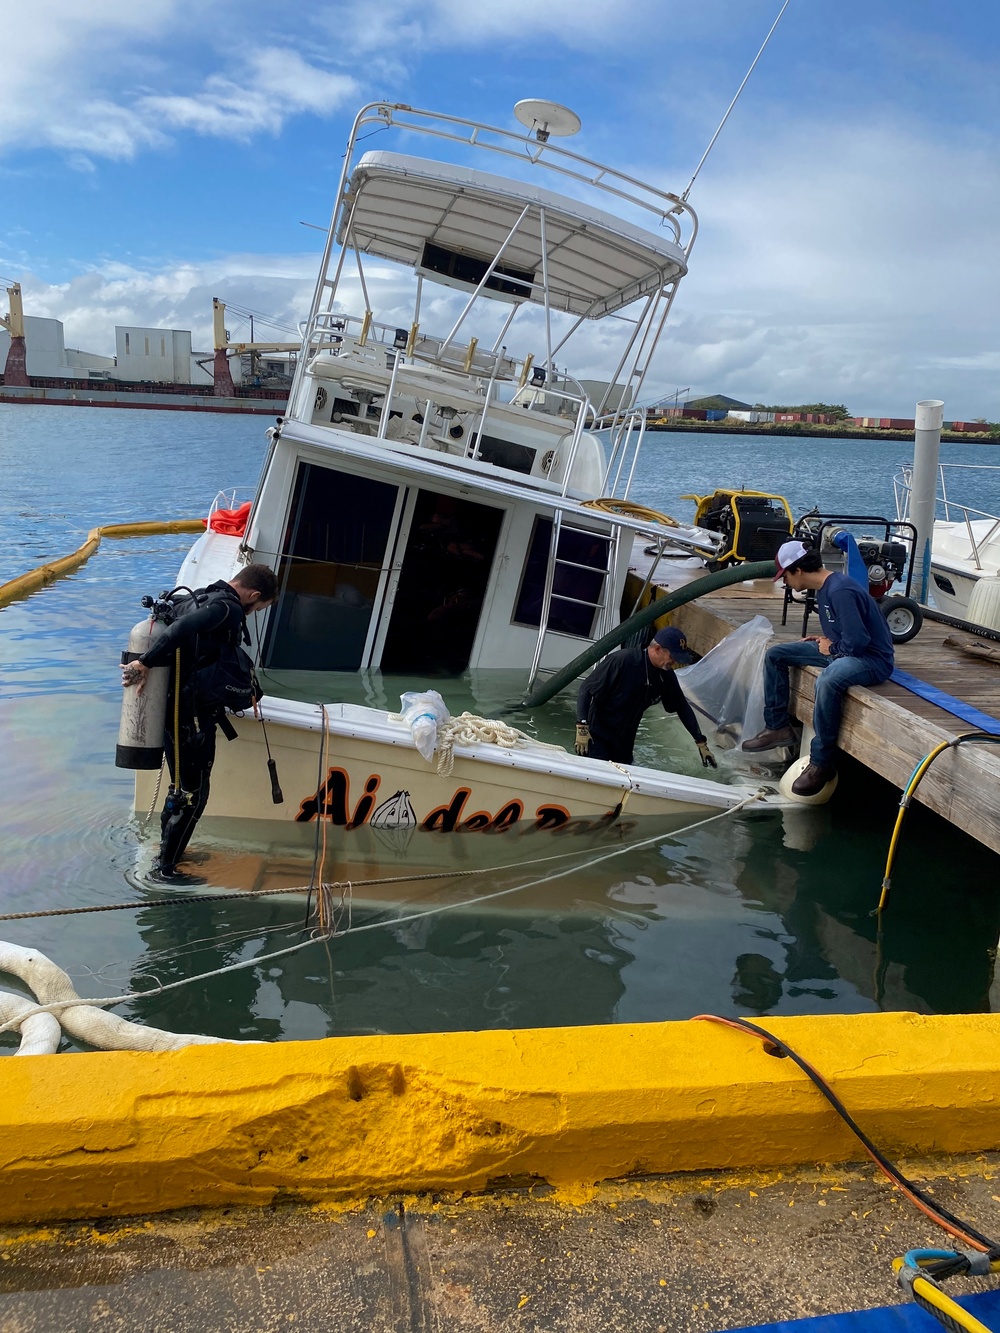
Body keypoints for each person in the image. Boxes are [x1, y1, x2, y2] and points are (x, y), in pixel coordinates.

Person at [121, 563, 279, 884]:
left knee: (182, 787)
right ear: (255, 594)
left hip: (177, 709)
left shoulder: (205, 596)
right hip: (189, 714)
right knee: (195, 793)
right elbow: (181, 630)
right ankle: (165, 870)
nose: (255, 612)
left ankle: (172, 853)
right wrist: (145, 662)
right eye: (260, 607)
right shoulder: (227, 608)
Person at [742, 539, 894, 796]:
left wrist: (832, 649)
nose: (784, 583)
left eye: (785, 576)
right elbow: (846, 633)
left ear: (797, 570)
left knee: (827, 680)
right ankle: (778, 726)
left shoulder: (839, 590)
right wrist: (824, 641)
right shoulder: (825, 588)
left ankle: (821, 762)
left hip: (871, 659)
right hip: (842, 649)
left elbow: (858, 643)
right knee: (776, 654)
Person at [575, 626, 716, 769]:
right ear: (657, 649)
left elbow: (682, 707)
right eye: (672, 656)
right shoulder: (622, 660)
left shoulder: (665, 675)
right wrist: (582, 727)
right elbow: (586, 689)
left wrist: (700, 742)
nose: (674, 662)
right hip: (596, 737)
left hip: (624, 742)